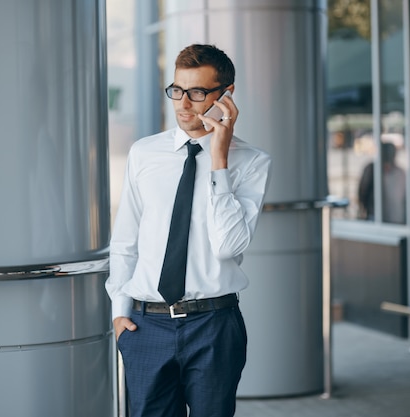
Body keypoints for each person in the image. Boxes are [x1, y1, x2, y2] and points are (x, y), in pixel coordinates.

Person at [105, 44, 271, 417]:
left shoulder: (254, 162)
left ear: (225, 95)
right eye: (177, 90)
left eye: (197, 93)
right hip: (145, 325)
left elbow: (229, 245)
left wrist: (219, 161)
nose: (183, 104)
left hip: (214, 325)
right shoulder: (144, 153)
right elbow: (125, 240)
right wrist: (119, 313)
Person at [357, 142, 405, 224]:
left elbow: (404, 197)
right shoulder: (372, 170)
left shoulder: (399, 173)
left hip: (396, 218)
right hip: (376, 217)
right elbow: (363, 192)